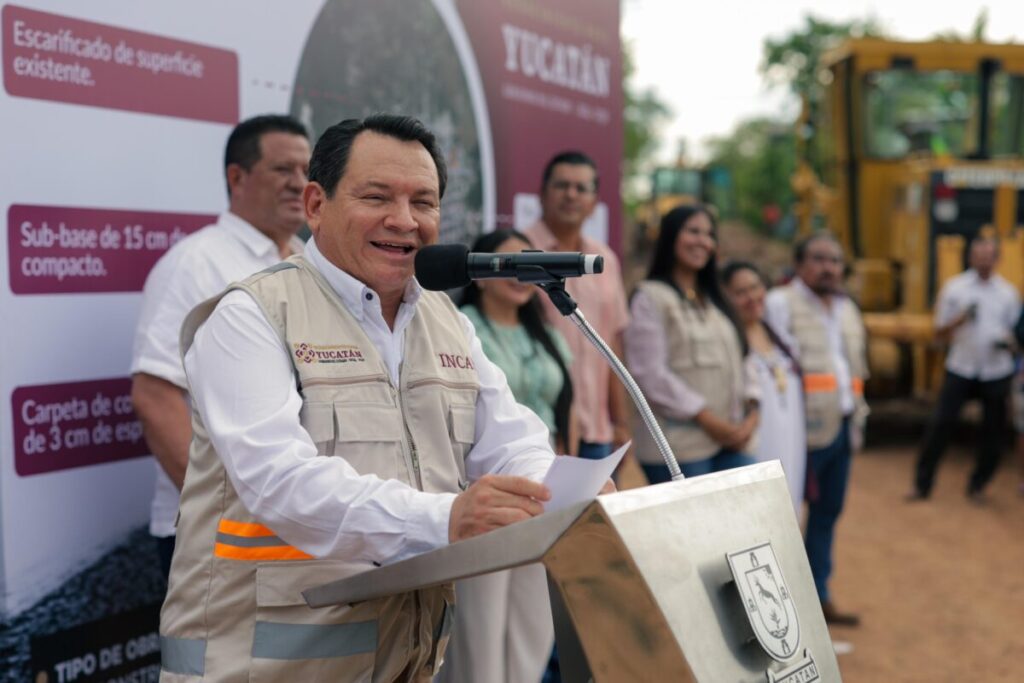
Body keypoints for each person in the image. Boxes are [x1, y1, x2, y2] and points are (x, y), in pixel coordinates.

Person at [158, 114, 564, 682]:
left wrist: (563, 493)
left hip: (406, 661)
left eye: (424, 202)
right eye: (377, 196)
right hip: (259, 667)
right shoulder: (251, 314)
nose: (404, 220)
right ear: (317, 205)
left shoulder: (447, 320)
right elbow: (281, 482)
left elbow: (511, 438)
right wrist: (446, 517)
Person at [130, 114, 310, 577]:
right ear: (237, 177)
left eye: (307, 171)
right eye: (283, 170)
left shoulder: (309, 262)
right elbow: (155, 394)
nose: (300, 183)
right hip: (220, 540)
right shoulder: (195, 264)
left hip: (302, 528)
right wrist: (219, 515)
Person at [438, 229, 574, 683]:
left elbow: (563, 409)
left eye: (526, 261)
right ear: (480, 272)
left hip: (546, 491)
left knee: (534, 628)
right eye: (508, 261)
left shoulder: (546, 333)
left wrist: (573, 471)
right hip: (486, 492)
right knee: (481, 631)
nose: (520, 272)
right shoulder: (459, 326)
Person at [764, 232, 868, 627]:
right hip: (797, 432)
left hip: (841, 426)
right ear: (800, 264)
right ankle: (782, 604)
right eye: (819, 259)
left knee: (827, 513)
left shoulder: (846, 309)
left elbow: (854, 368)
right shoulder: (780, 303)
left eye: (835, 260)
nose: (829, 268)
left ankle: (818, 596)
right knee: (786, 515)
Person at [624, 205, 758, 483]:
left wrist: (751, 417)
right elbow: (650, 375)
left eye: (709, 234)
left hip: (732, 440)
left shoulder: (716, 301)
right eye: (693, 231)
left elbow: (745, 359)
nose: (702, 241)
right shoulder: (650, 298)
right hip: (679, 448)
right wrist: (709, 420)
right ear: (670, 236)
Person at [524, 151, 630, 461]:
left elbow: (612, 345)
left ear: (595, 201)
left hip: (597, 431)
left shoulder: (604, 260)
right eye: (562, 186)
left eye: (581, 188)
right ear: (542, 195)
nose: (571, 195)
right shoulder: (520, 253)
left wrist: (620, 421)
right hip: (540, 430)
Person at [908, 233, 1020, 502]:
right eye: (978, 255)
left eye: (988, 256)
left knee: (993, 433)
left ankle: (979, 485)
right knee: (940, 425)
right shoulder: (955, 288)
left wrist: (1009, 343)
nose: (983, 261)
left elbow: (1017, 333)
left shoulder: (1008, 294)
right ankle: (922, 485)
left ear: (997, 259)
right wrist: (959, 320)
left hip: (995, 370)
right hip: (961, 367)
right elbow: (939, 332)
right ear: (970, 257)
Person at [723, 261, 806, 515]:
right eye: (741, 292)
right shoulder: (730, 342)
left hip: (791, 445)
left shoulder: (779, 336)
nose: (752, 297)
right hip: (755, 446)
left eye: (756, 287)